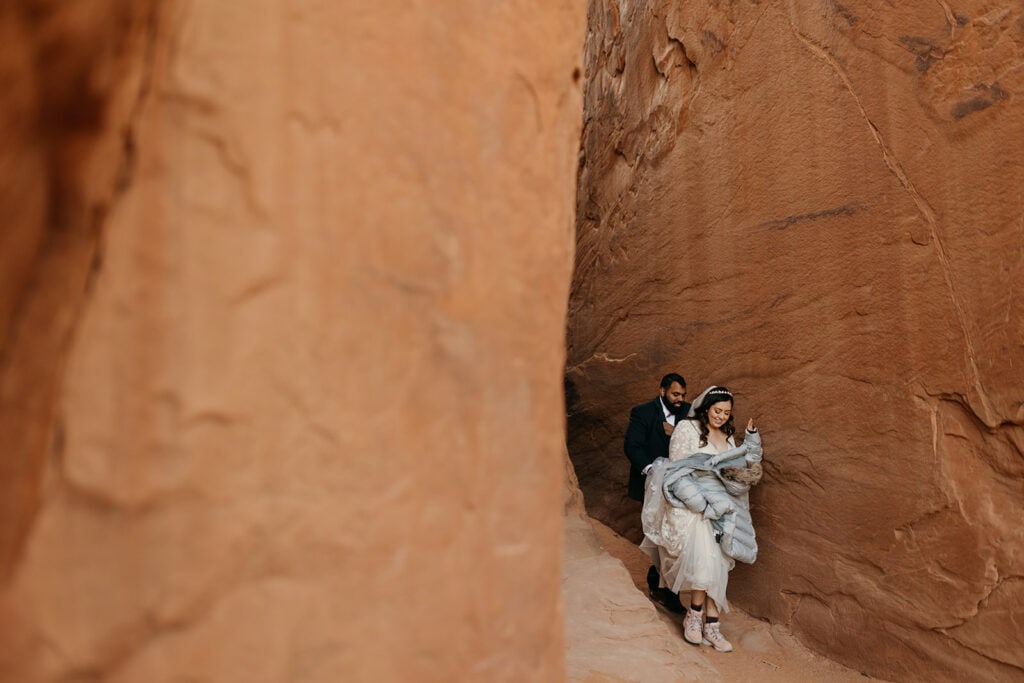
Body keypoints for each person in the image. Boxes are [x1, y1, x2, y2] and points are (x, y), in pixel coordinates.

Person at [639, 385, 763, 652]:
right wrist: (703, 505)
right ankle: (694, 618)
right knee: (706, 562)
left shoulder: (728, 436)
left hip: (723, 508)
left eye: (727, 413)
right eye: (717, 411)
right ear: (706, 407)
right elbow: (676, 472)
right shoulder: (688, 429)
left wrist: (751, 438)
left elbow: (740, 467)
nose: (720, 417)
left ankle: (712, 626)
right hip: (696, 507)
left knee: (719, 565)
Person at [623, 373, 690, 612]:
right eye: (675, 394)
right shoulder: (642, 412)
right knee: (659, 537)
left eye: (683, 394)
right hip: (651, 486)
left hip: (681, 489)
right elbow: (632, 445)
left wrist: (677, 433)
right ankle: (660, 587)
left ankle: (666, 588)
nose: (680, 399)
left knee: (673, 538)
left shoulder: (689, 412)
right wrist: (652, 472)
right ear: (662, 391)